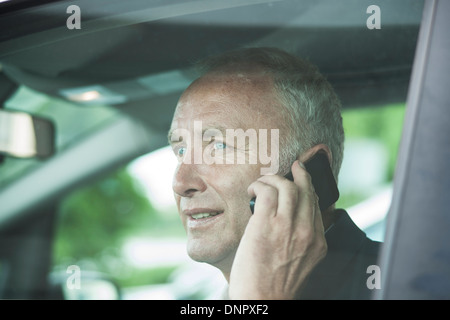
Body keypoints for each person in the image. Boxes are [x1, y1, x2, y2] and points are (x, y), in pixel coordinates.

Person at [168, 47, 381, 299]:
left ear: (311, 175)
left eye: (219, 146)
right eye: (180, 150)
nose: (180, 182)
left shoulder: (405, 280)